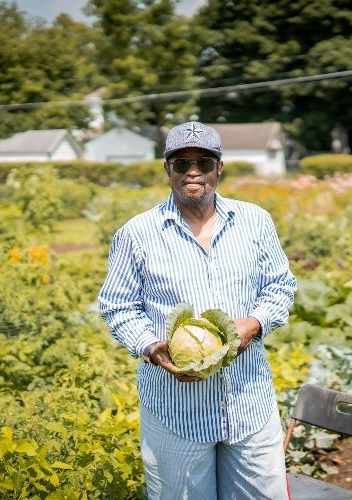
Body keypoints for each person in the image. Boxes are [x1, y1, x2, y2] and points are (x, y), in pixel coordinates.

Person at [98, 121, 297, 499]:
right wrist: (152, 347)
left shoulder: (255, 222)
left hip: (248, 403)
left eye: (203, 162)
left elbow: (281, 286)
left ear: (219, 168)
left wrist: (254, 323)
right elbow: (117, 306)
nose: (193, 171)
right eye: (181, 162)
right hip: (175, 412)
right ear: (166, 169)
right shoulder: (137, 233)